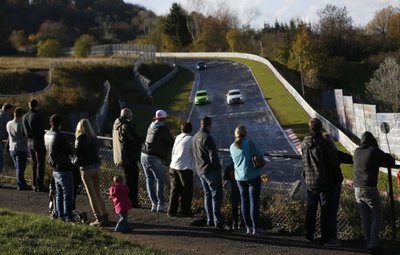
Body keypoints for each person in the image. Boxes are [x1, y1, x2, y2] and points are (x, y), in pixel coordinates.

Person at [301, 118, 344, 246]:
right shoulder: (324, 143)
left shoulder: (304, 143)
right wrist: (338, 177)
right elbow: (333, 162)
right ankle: (326, 239)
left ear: (310, 128)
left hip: (309, 181)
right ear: (320, 128)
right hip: (323, 182)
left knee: (311, 210)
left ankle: (308, 235)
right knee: (325, 211)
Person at [353, 131, 394, 255]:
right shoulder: (374, 151)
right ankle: (373, 244)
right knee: (377, 215)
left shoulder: (356, 151)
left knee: (365, 217)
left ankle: (368, 241)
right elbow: (390, 160)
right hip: (369, 187)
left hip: (357, 188)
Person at [192, 116, 230, 231]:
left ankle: (210, 219)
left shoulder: (195, 137)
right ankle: (218, 220)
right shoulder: (208, 138)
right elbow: (213, 156)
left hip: (200, 170)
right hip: (210, 170)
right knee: (216, 195)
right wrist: (218, 168)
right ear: (209, 125)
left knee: (207, 195)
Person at [229, 125, 265, 235]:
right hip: (252, 176)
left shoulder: (232, 146)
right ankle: (256, 227)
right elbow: (261, 153)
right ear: (245, 133)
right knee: (254, 202)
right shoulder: (249, 143)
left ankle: (248, 227)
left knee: (244, 202)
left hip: (239, 178)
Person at [74, 119, 108, 226]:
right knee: (98, 193)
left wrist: (73, 162)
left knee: (91, 194)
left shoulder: (79, 140)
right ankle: (105, 215)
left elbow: (78, 158)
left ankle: (98, 218)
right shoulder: (94, 138)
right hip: (96, 167)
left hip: (86, 168)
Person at [141, 109, 174, 212]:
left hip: (143, 155)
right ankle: (161, 204)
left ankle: (154, 204)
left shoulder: (151, 126)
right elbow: (170, 140)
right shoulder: (162, 128)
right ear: (164, 119)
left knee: (149, 180)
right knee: (160, 180)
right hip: (154, 157)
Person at [44, 114, 74, 222]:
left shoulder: (47, 134)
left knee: (58, 193)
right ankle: (67, 216)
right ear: (60, 123)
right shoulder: (59, 136)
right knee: (67, 193)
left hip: (55, 168)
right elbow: (70, 150)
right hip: (64, 167)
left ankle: (60, 215)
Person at [112, 108, 144, 208]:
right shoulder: (126, 125)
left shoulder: (116, 125)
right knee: (132, 180)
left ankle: (130, 200)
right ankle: (132, 201)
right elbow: (135, 139)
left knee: (128, 178)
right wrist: (147, 137)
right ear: (128, 115)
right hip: (129, 156)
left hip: (121, 156)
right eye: (131, 114)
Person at [168, 122, 195, 217]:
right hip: (184, 167)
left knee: (175, 189)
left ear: (181, 129)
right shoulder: (192, 139)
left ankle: (172, 210)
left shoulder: (178, 137)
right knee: (187, 190)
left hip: (173, 166)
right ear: (191, 129)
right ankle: (185, 210)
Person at [22, 99, 47, 192]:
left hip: (29, 142)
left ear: (29, 106)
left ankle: (34, 184)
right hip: (38, 141)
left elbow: (23, 131)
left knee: (34, 164)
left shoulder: (25, 116)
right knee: (40, 164)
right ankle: (40, 185)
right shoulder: (37, 116)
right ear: (36, 105)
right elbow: (41, 130)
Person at [6, 107, 29, 191]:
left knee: (17, 167)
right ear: (21, 114)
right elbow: (25, 135)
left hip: (12, 147)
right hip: (21, 148)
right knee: (21, 167)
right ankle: (21, 184)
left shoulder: (9, 123)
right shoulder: (21, 124)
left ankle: (21, 182)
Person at [223, 160, 243, 230]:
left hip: (233, 189)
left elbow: (226, 178)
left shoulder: (229, 167)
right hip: (242, 189)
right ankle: (242, 222)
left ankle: (235, 223)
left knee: (234, 207)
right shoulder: (242, 165)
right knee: (243, 206)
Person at [0, 103, 13, 173]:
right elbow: (12, 129)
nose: (12, 112)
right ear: (8, 109)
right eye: (11, 110)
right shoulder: (6, 117)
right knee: (1, 161)